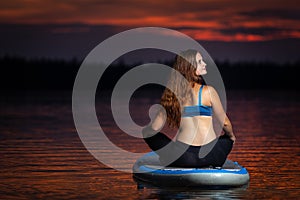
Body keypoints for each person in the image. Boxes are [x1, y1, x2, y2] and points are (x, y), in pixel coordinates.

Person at [142, 49, 236, 168]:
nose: (204, 64)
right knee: (227, 138)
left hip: (184, 158)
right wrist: (231, 136)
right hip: (212, 156)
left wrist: (146, 131)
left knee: (148, 134)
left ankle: (168, 158)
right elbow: (226, 123)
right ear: (190, 67)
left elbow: (154, 128)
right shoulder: (209, 92)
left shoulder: (172, 96)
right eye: (200, 61)